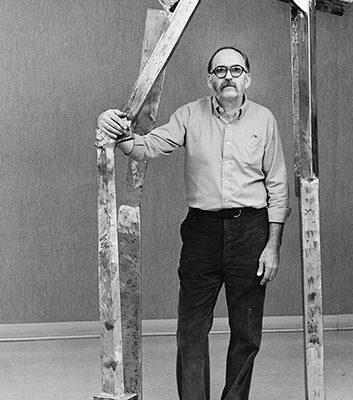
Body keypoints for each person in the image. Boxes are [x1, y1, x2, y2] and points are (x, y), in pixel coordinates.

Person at [97, 46, 291, 400]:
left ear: (247, 78)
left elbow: (277, 186)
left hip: (251, 231)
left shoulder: (264, 120)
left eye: (236, 70)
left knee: (247, 333)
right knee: (191, 331)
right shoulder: (189, 114)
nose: (228, 76)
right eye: (220, 71)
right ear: (209, 79)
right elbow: (146, 146)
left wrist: (272, 247)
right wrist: (117, 129)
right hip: (202, 233)